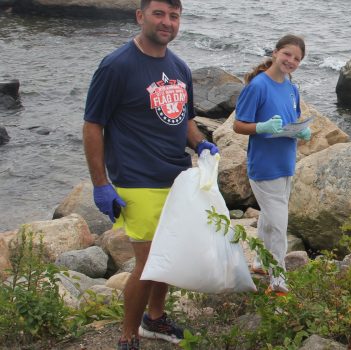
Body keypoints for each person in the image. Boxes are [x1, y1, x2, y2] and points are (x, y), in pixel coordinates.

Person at [83, 1, 218, 349]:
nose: (167, 22)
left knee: (168, 255)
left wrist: (201, 144)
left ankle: (154, 319)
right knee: (148, 265)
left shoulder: (179, 67)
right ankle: (128, 336)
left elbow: (185, 120)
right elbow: (93, 124)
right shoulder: (116, 66)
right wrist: (101, 184)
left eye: (174, 16)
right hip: (136, 180)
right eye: (159, 14)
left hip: (177, 176)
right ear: (140, 16)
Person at [232, 34, 309, 295]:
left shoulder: (291, 88)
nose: (291, 61)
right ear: (275, 53)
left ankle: (258, 261)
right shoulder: (258, 86)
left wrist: (301, 131)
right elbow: (238, 125)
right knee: (278, 225)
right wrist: (261, 127)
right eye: (287, 54)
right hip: (264, 167)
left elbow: (293, 118)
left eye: (297, 58)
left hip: (286, 163)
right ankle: (278, 281)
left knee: (268, 217)